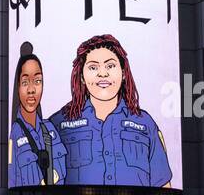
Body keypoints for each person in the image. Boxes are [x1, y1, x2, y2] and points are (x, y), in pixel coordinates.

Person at [49, 34, 173, 187]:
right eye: (93, 67)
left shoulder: (144, 123)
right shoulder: (59, 123)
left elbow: (163, 187)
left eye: (110, 66)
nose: (103, 73)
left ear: (123, 73)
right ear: (81, 77)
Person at [8, 48, 67, 187]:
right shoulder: (14, 134)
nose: (31, 89)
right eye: (25, 82)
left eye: (37, 81)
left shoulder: (50, 129)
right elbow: (11, 182)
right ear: (17, 87)